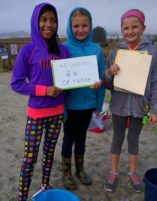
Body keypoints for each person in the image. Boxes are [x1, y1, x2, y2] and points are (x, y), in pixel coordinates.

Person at [5, 3, 69, 201]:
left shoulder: (63, 51)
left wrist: (90, 81)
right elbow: (16, 84)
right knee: (29, 159)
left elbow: (71, 80)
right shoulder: (28, 50)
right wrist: (44, 90)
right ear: (36, 22)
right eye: (44, 20)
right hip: (36, 114)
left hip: (57, 114)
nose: (48, 25)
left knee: (49, 154)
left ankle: (44, 187)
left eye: (52, 20)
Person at [103, 9, 157, 192]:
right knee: (117, 137)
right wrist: (109, 73)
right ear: (121, 29)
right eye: (126, 28)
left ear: (143, 28)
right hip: (119, 105)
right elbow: (106, 82)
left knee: (134, 139)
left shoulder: (152, 51)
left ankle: (132, 172)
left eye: (134, 27)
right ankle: (113, 172)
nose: (130, 31)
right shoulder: (116, 52)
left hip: (140, 106)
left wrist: (155, 109)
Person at [61, 7, 105, 190]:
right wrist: (61, 108)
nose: (80, 29)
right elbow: (59, 81)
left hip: (88, 105)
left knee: (81, 140)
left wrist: (98, 104)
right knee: (68, 139)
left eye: (84, 25)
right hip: (70, 106)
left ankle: (80, 170)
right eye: (76, 26)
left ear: (90, 26)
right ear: (70, 27)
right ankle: (66, 173)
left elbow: (101, 78)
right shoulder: (63, 48)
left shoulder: (96, 49)